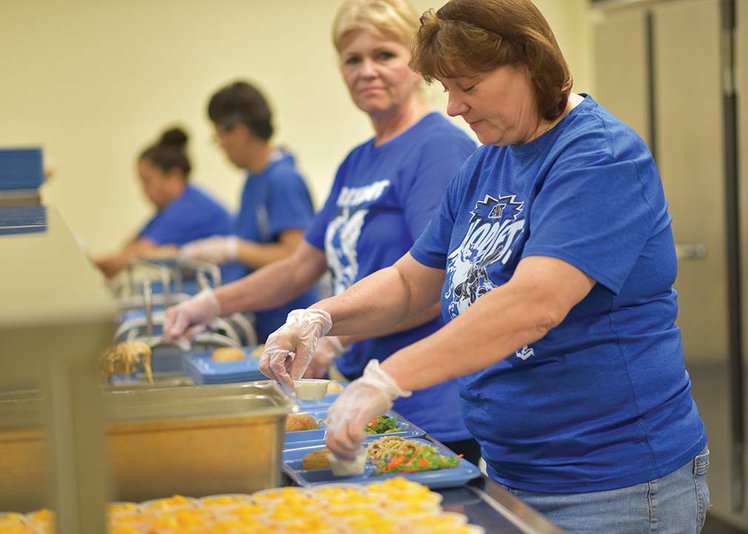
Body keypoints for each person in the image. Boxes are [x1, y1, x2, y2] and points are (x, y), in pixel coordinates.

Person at [258, 0, 710, 532]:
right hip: (511, 470)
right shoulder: (486, 161)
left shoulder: (598, 157)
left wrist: (386, 379)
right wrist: (318, 317)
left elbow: (532, 305)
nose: (453, 107)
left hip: (613, 485)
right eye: (447, 89)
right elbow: (409, 283)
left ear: (529, 64)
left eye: (467, 86)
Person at [164, 0, 480, 462]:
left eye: (384, 55)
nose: (367, 71)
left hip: (426, 405)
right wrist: (211, 304)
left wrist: (335, 332)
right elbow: (297, 268)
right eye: (353, 59)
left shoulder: (440, 147)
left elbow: (430, 285)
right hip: (360, 394)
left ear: (418, 65)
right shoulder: (358, 160)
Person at [179, 81, 318, 339]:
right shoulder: (254, 180)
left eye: (219, 136)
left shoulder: (283, 180)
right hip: (263, 318)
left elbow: (297, 255)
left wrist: (233, 249)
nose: (220, 145)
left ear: (240, 131)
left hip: (289, 324)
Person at [93, 127, 234, 279]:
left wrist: (87, 264)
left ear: (174, 176)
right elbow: (128, 249)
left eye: (147, 181)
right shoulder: (169, 209)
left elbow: (129, 258)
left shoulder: (189, 208)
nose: (143, 190)